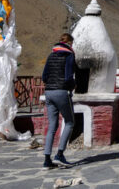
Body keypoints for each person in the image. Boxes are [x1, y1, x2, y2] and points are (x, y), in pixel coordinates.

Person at [41, 33, 76, 168]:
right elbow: (68, 77)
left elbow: (44, 76)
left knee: (52, 126)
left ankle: (46, 160)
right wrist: (73, 86)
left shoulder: (51, 55)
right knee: (69, 122)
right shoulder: (69, 55)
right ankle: (60, 154)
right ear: (70, 43)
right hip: (62, 92)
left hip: (48, 93)